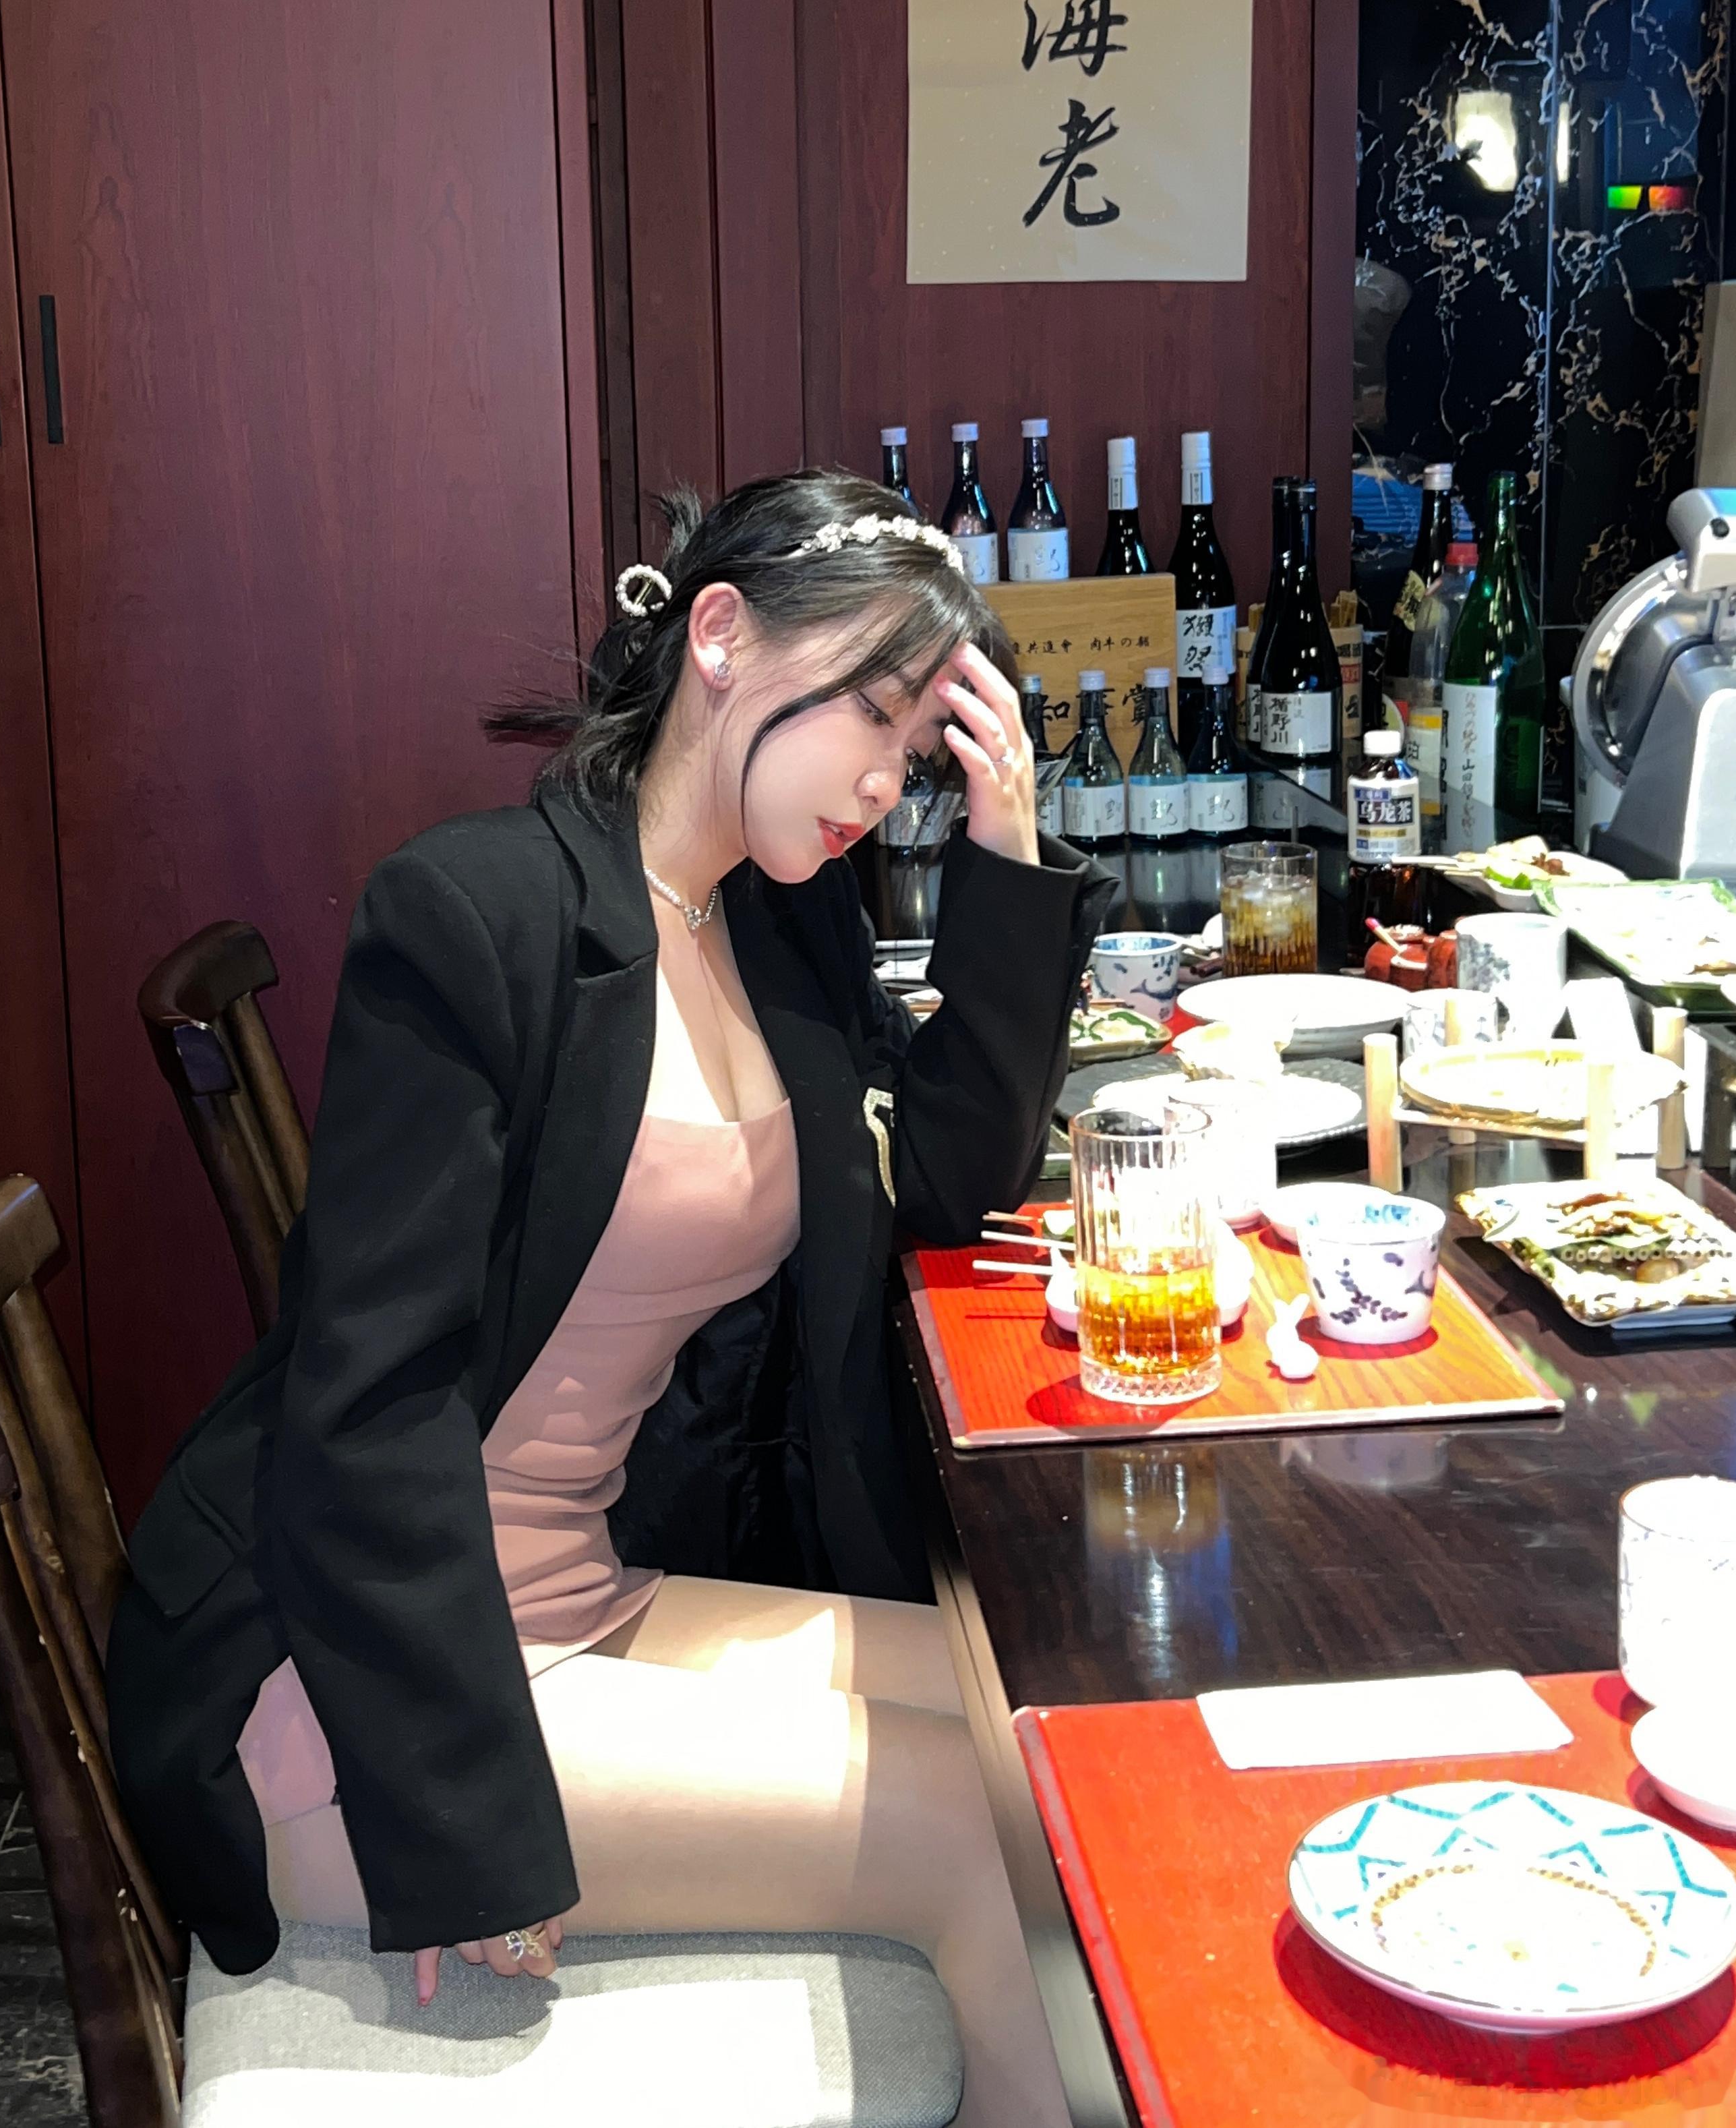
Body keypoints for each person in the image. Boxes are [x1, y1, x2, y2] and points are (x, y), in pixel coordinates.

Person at [108, 469, 1115, 2127]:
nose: (887, 779)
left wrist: (1005, 854)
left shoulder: (770, 918)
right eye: (870, 713)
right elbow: (368, 1403)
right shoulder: (478, 914)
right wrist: (464, 1822)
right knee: (965, 1820)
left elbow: (940, 1182)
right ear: (719, 635)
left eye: (917, 742)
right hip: (360, 1675)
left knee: (1039, 1708)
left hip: (581, 1591)